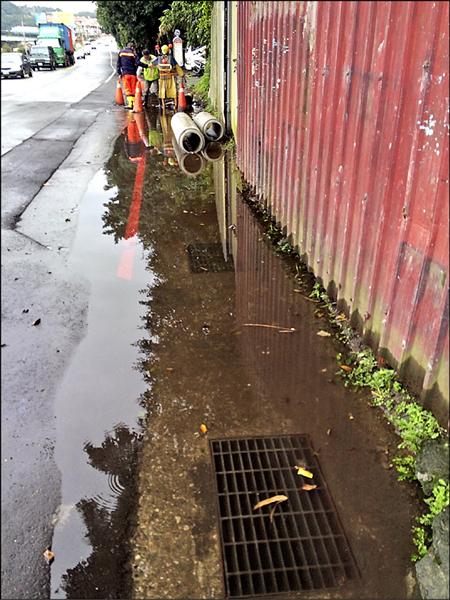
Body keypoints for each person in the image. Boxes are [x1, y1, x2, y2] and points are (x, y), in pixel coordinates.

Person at [152, 44, 184, 112]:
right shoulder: (171, 58)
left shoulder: (158, 58)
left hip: (162, 77)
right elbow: (177, 66)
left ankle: (163, 105)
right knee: (173, 89)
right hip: (170, 76)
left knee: (162, 91)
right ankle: (175, 104)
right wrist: (182, 74)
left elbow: (152, 65)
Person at [117, 41, 138, 109]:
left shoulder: (121, 52)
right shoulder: (133, 53)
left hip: (125, 74)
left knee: (127, 89)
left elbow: (118, 64)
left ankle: (130, 104)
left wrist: (119, 73)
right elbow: (137, 63)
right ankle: (135, 103)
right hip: (133, 74)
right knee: (133, 88)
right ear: (132, 47)